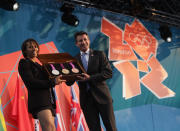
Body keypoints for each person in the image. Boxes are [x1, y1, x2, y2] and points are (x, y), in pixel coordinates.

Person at [67, 31, 117, 131]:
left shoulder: (99, 55)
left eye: (85, 39)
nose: (83, 42)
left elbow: (108, 73)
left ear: (89, 41)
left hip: (103, 97)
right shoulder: (73, 60)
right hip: (86, 100)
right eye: (80, 41)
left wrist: (90, 78)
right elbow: (69, 82)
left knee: (111, 128)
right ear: (76, 44)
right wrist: (64, 74)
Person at [18, 38, 65, 131]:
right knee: (48, 128)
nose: (34, 49)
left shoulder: (40, 65)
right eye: (30, 47)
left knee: (52, 128)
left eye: (35, 46)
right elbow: (30, 82)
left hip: (48, 100)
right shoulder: (24, 63)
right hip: (39, 101)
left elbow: (51, 77)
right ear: (25, 51)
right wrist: (52, 82)